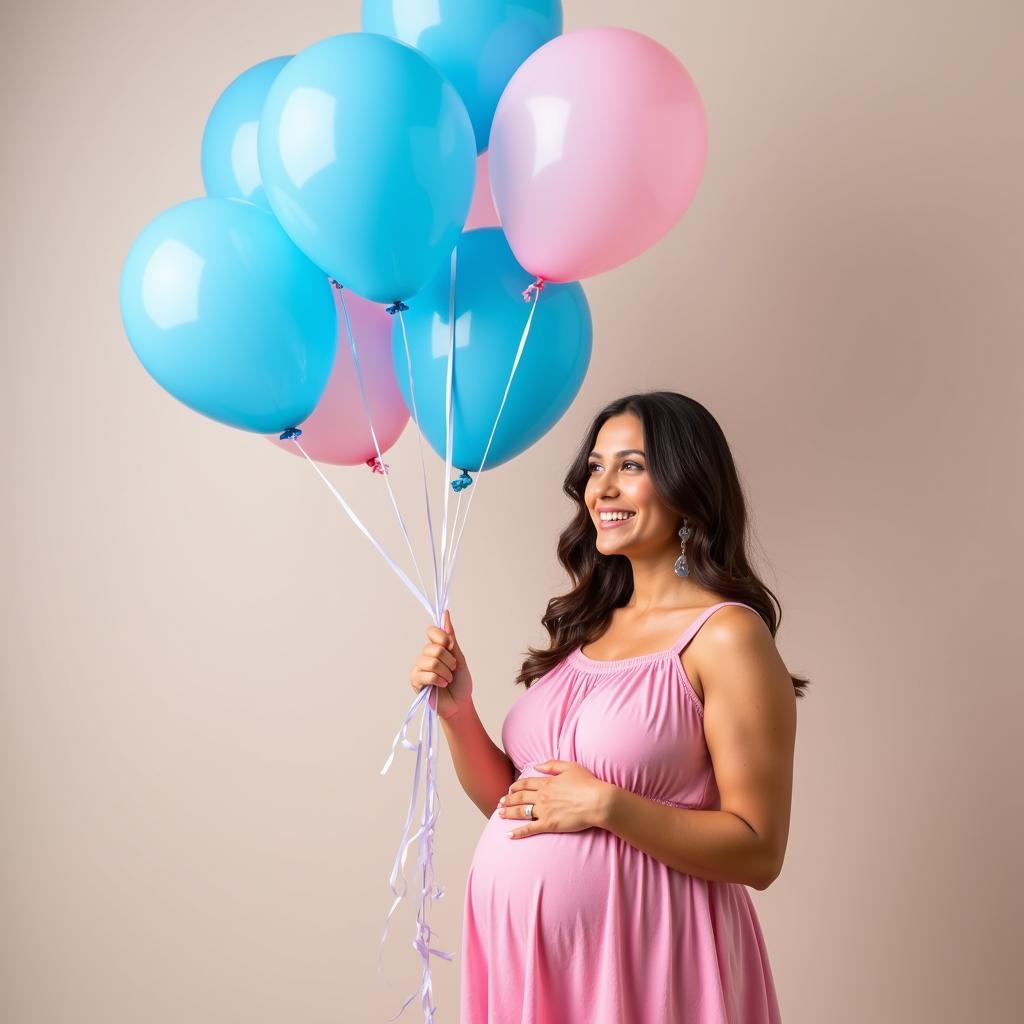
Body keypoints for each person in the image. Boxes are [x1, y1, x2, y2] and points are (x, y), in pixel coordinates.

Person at [409, 391, 806, 1023]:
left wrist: (608, 805)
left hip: (649, 961)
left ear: (688, 485)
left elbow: (760, 851)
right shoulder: (588, 630)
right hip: (530, 968)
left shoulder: (726, 636)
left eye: (631, 466)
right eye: (595, 467)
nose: (603, 489)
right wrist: (459, 713)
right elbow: (523, 805)